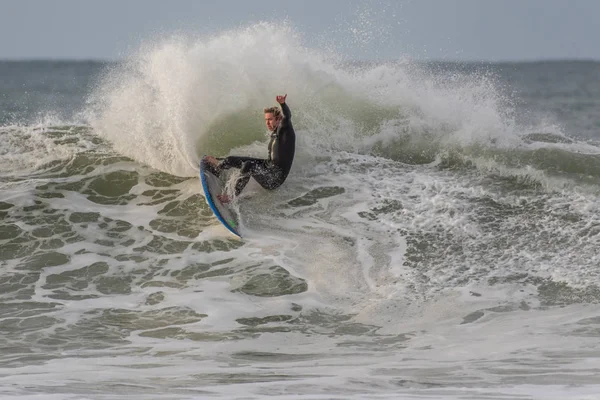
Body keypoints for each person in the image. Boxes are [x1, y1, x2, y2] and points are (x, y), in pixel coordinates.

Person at [204, 94, 295, 203]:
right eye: (266, 120)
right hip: (268, 166)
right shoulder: (275, 133)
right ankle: (219, 167)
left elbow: (287, 116)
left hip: (275, 178)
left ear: (278, 119)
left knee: (249, 165)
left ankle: (231, 196)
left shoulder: (285, 129)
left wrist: (282, 104)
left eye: (270, 120)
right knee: (233, 159)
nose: (267, 123)